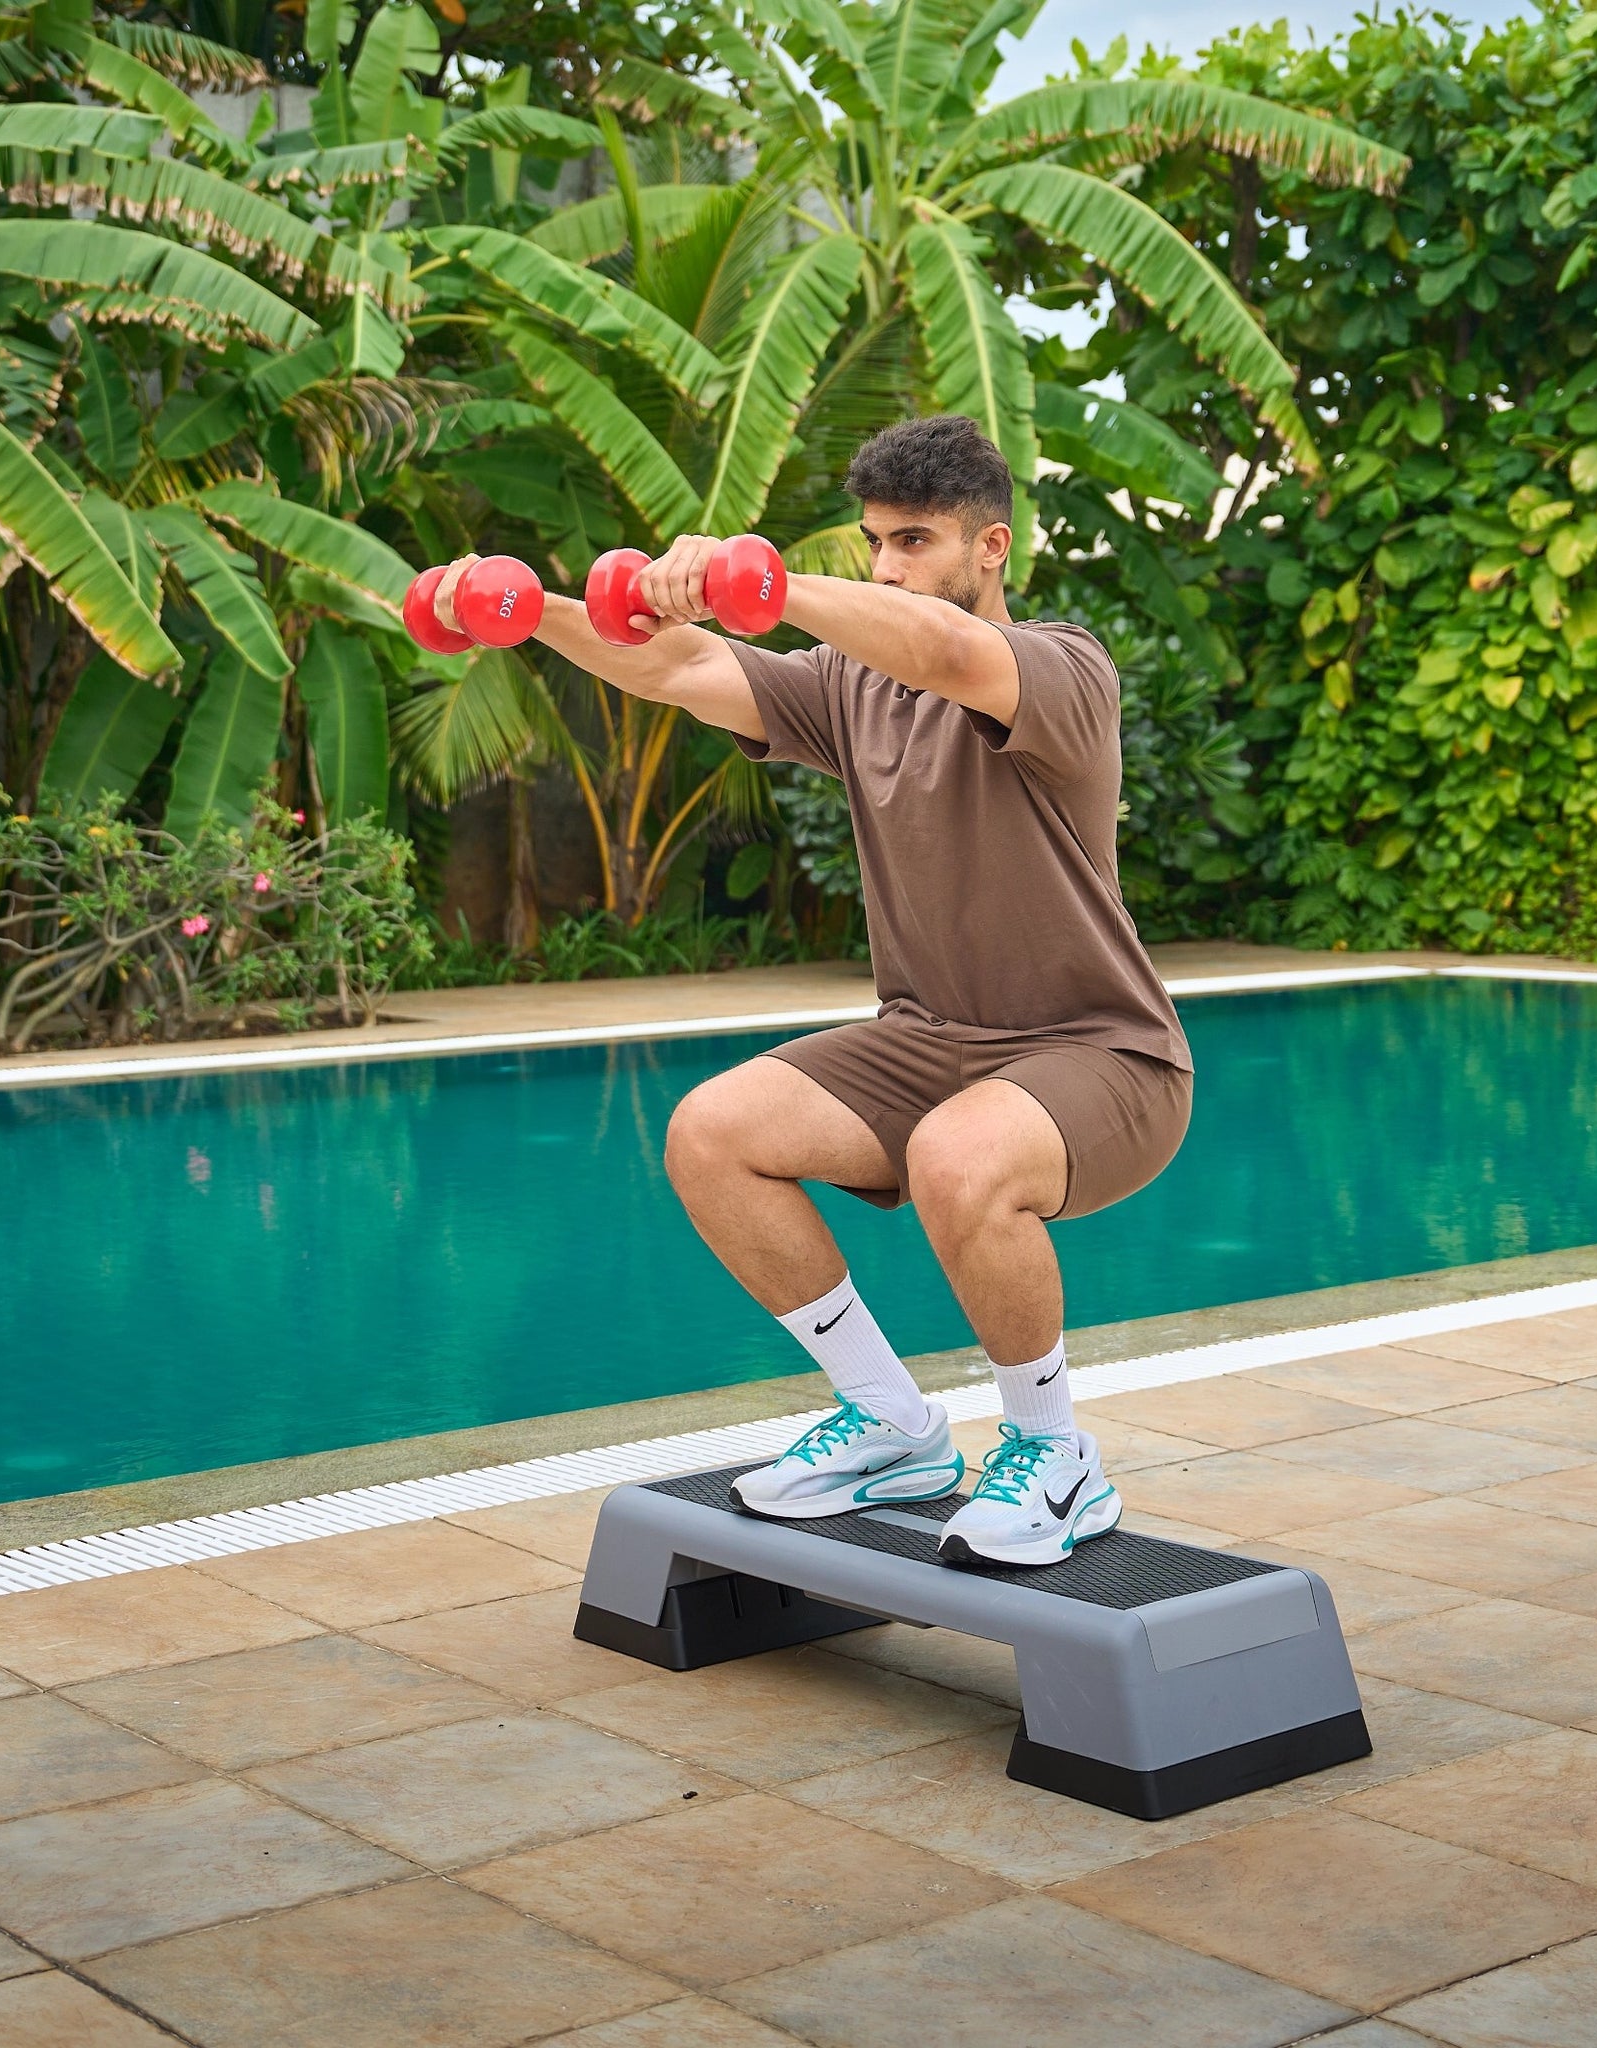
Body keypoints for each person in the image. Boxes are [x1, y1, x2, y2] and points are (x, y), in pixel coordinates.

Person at [435, 414, 1193, 1565]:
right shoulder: (853, 686)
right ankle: (892, 1423)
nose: (887, 565)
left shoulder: (1062, 667)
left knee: (956, 1154)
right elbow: (680, 666)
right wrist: (522, 608)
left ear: (990, 546)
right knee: (713, 1132)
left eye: (915, 542)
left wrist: (766, 585)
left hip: (1101, 1054)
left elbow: (947, 653)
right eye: (876, 541)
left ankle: (1055, 1452)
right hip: (927, 1040)